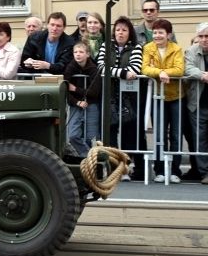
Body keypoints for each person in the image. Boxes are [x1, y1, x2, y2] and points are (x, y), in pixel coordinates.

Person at [96, 16, 145, 181]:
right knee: (110, 132)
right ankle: (114, 168)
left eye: (124, 30)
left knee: (130, 132)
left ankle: (129, 166)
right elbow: (102, 68)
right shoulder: (105, 46)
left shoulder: (136, 47)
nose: (120, 33)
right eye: (118, 29)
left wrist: (116, 72)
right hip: (110, 95)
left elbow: (135, 69)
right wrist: (123, 73)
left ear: (129, 32)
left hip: (129, 97)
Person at [141, 18, 184, 183]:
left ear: (169, 34)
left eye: (161, 32)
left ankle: (175, 171)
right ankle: (159, 170)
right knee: (159, 134)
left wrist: (164, 72)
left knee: (175, 135)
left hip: (175, 96)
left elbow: (180, 70)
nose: (157, 35)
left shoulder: (176, 48)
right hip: (157, 97)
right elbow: (144, 68)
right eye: (155, 32)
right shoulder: (148, 48)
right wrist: (160, 73)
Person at [64, 42, 101, 156]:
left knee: (92, 138)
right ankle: (87, 156)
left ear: (88, 54)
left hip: (92, 103)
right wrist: (77, 102)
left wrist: (76, 89)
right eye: (75, 52)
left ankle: (95, 161)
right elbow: (65, 90)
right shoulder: (70, 68)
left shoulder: (93, 69)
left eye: (81, 52)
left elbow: (94, 92)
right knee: (73, 136)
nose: (78, 54)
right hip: (75, 104)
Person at [183, 22, 208, 185]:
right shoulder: (191, 51)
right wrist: (202, 75)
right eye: (201, 36)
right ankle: (205, 172)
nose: (204, 40)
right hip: (197, 103)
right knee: (200, 139)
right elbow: (187, 68)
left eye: (207, 36)